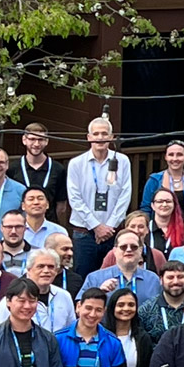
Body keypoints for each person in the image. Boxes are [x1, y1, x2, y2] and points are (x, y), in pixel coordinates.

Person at [66, 117, 132, 278]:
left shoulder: (122, 161)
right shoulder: (76, 163)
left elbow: (125, 194)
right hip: (84, 233)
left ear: (112, 137)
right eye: (96, 134)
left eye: (104, 134)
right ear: (89, 137)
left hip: (113, 232)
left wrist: (109, 226)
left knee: (114, 280)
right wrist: (96, 226)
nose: (100, 138)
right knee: (83, 279)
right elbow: (74, 198)